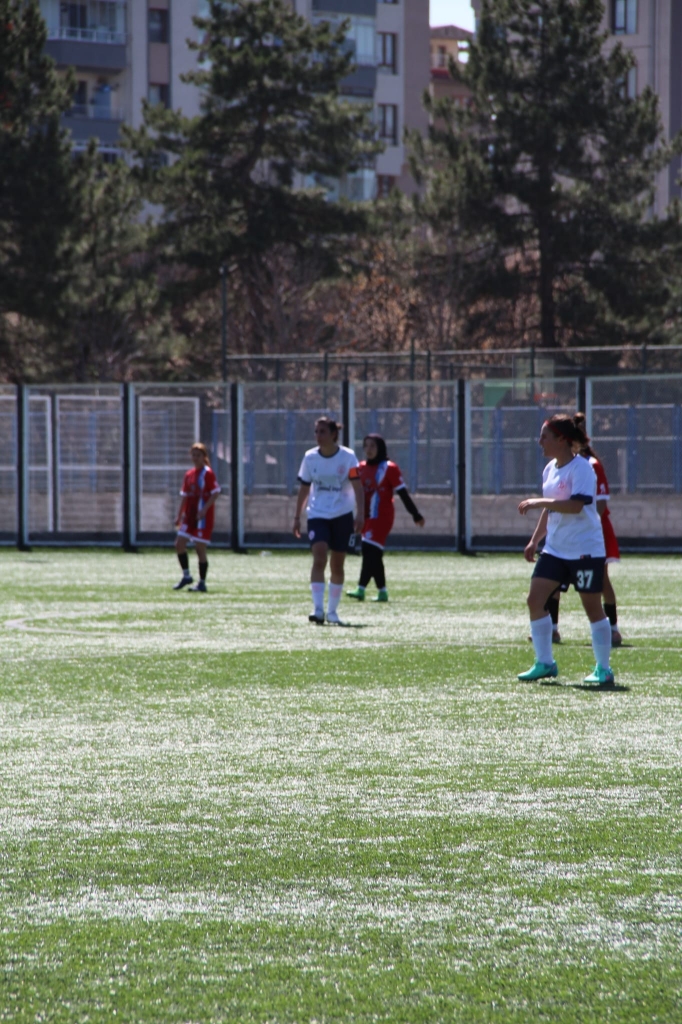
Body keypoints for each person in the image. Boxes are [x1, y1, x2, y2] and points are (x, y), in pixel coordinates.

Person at [518, 414, 615, 686]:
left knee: (592, 608)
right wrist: (535, 540)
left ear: (561, 439)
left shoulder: (582, 468)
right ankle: (545, 663)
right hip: (556, 550)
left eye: (544, 437)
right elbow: (552, 509)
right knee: (535, 600)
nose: (540, 442)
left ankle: (604, 669)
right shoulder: (550, 469)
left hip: (585, 550)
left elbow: (575, 506)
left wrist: (539, 501)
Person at [544, 412, 623, 646]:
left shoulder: (589, 466)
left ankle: (613, 628)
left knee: (601, 583)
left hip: (591, 533)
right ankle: (553, 628)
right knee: (552, 582)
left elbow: (597, 503)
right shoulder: (555, 467)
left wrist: (584, 525)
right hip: (564, 536)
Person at [293, 416, 365, 624]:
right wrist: (297, 516)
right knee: (319, 556)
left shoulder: (348, 457)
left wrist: (360, 513)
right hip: (317, 515)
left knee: (337, 564)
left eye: (322, 432)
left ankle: (332, 612)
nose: (318, 436)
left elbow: (358, 487)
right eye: (316, 432)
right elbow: (304, 488)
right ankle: (318, 610)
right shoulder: (310, 458)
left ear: (334, 434)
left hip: (342, 515)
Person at [346, 433, 425, 602]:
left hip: (381, 517)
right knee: (374, 554)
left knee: (368, 551)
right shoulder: (360, 467)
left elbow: (402, 493)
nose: (369, 449)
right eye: (366, 445)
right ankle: (382, 591)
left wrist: (415, 514)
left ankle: (361, 589)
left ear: (380, 448)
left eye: (372, 446)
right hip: (366, 517)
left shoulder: (389, 468)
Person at [173, 442, 221, 593]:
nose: (195, 458)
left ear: (204, 457)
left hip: (202, 517)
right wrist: (179, 515)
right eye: (193, 455)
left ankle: (202, 582)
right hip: (189, 516)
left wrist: (204, 510)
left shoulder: (208, 473)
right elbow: (185, 497)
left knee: (200, 549)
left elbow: (216, 492)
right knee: (179, 544)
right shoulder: (189, 475)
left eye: (198, 455)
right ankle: (186, 576)